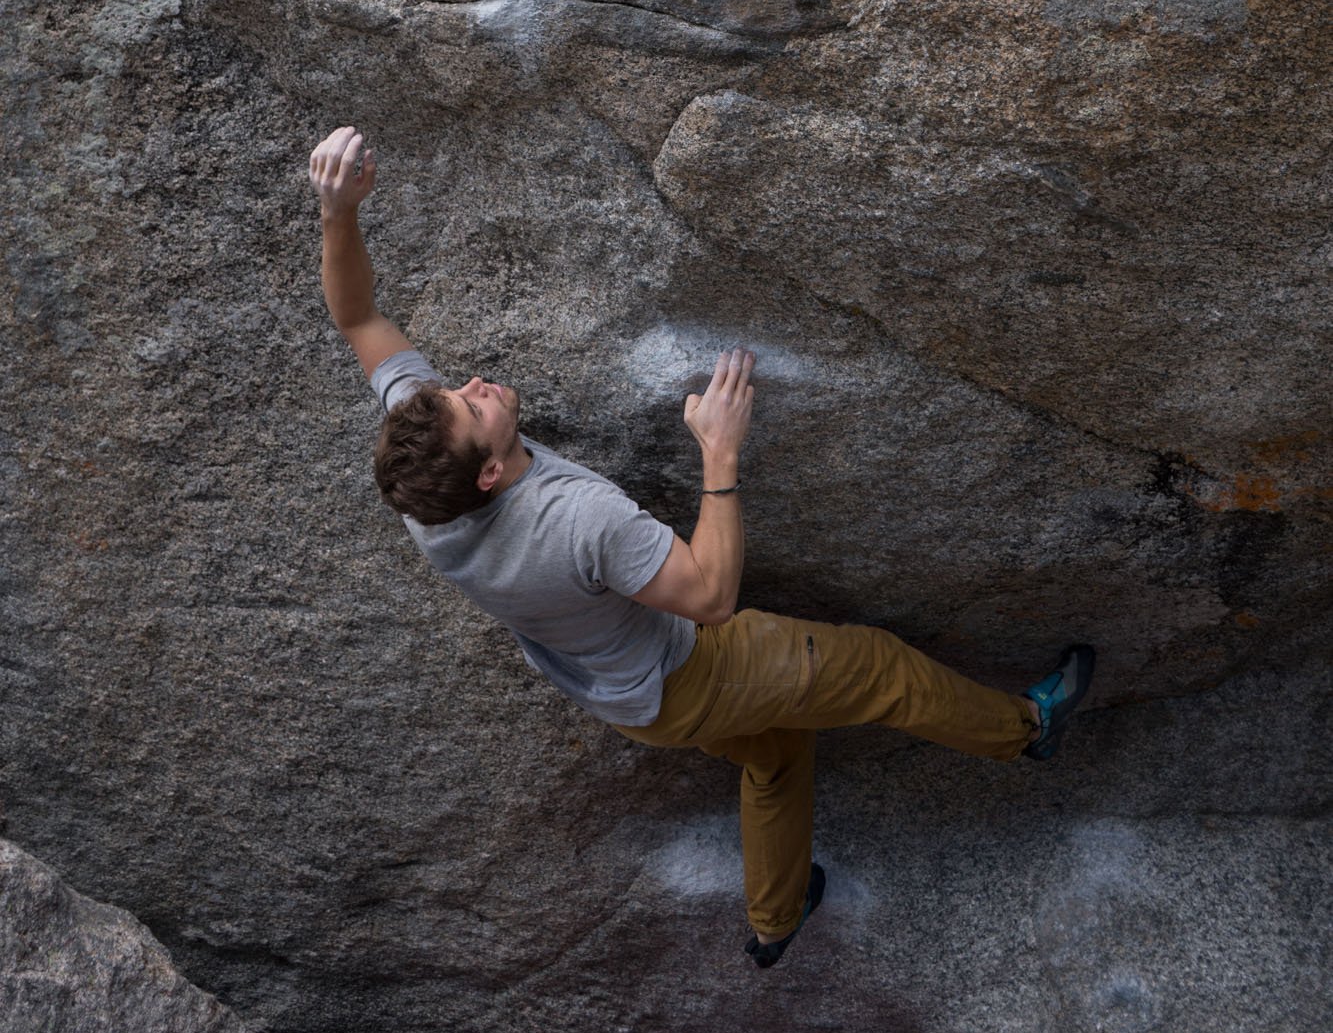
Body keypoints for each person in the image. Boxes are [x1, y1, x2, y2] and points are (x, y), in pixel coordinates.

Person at [311, 125, 1096, 968]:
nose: (471, 386)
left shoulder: (425, 493)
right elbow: (712, 598)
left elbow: (356, 315)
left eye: (458, 393)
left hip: (627, 700)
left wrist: (336, 213)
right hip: (694, 665)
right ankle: (1026, 729)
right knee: (876, 666)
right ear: (494, 473)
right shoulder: (574, 521)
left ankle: (776, 916)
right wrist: (718, 454)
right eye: (474, 408)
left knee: (777, 751)